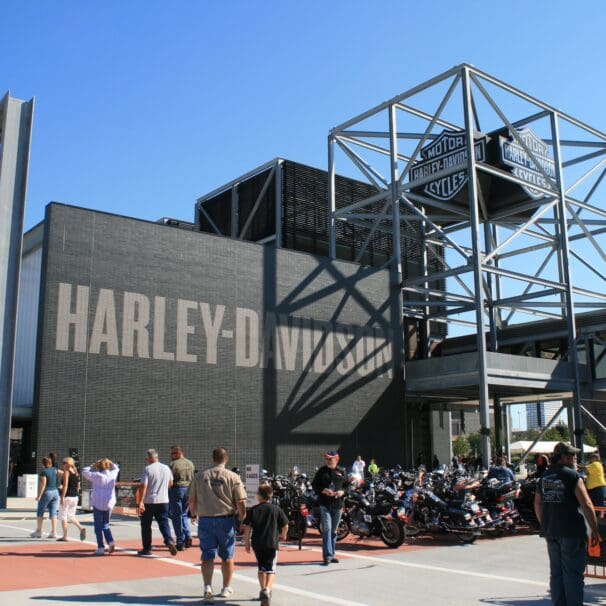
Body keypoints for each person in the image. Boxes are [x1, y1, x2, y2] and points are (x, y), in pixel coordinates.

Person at [534, 442, 600, 606]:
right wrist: (595, 530)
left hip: (551, 531)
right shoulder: (572, 475)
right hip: (571, 531)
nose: (575, 457)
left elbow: (537, 503)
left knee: (556, 574)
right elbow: (586, 503)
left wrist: (545, 523)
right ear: (562, 457)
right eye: (571, 454)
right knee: (573, 575)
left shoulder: (545, 476)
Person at [189, 447, 247, 603]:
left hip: (206, 519)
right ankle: (225, 588)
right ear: (226, 458)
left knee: (207, 555)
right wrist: (243, 519)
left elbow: (192, 500)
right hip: (226, 520)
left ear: (212, 458)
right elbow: (240, 501)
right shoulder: (233, 477)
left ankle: (207, 587)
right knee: (227, 556)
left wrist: (193, 514)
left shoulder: (200, 476)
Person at [242, 483, 289, 606]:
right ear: (271, 495)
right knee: (271, 569)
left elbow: (247, 527)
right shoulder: (276, 509)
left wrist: (247, 542)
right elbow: (285, 525)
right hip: (272, 542)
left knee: (261, 567)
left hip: (257, 543)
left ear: (258, 496)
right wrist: (283, 535)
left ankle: (262, 589)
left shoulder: (253, 510)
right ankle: (268, 589)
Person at [137, 448, 177, 556]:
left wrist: (140, 501)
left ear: (149, 458)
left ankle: (147, 548)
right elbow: (171, 483)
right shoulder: (166, 468)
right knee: (164, 523)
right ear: (157, 456)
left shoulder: (148, 469)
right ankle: (169, 540)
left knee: (146, 525)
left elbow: (143, 486)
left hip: (149, 501)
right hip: (164, 500)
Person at [311, 450, 348, 566]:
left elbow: (347, 486)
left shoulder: (342, 471)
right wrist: (324, 490)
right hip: (325, 504)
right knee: (327, 529)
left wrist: (342, 491)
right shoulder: (322, 471)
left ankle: (331, 555)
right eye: (326, 458)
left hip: (338, 505)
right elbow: (314, 485)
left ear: (336, 459)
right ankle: (327, 556)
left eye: (330, 458)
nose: (328, 460)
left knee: (333, 531)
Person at [82, 458, 119, 555]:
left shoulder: (96, 475)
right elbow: (117, 468)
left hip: (98, 503)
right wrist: (111, 462)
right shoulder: (112, 474)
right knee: (106, 524)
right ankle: (110, 541)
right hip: (109, 503)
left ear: (99, 467)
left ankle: (101, 547)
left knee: (98, 526)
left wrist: (93, 465)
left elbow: (84, 471)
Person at [169, 445, 195, 551]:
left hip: (177, 489)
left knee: (176, 516)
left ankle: (180, 540)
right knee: (184, 514)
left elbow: (170, 480)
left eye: (173, 453)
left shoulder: (173, 464)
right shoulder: (190, 463)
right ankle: (187, 535)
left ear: (179, 453)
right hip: (188, 489)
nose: (171, 455)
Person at [57, 457, 86, 542]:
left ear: (67, 464)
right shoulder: (76, 473)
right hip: (75, 497)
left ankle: (65, 536)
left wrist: (62, 496)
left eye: (63, 463)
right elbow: (78, 486)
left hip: (68, 496)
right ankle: (81, 528)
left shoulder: (67, 472)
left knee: (63, 516)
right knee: (71, 516)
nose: (63, 465)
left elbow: (65, 486)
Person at [30, 456, 60, 539]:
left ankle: (39, 531)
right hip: (55, 492)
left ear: (43, 463)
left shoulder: (44, 472)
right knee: (54, 512)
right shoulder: (54, 469)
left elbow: (43, 485)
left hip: (47, 492)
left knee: (40, 511)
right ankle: (54, 532)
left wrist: (39, 496)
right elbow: (63, 474)